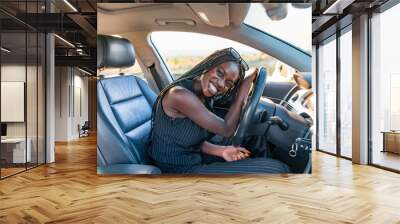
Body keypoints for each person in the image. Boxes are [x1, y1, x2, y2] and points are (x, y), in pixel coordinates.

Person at [148, 48, 290, 174]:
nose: (221, 84)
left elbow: (187, 140)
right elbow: (227, 129)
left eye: (229, 83)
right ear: (208, 66)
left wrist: (222, 151)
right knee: (278, 170)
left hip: (191, 156)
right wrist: (243, 90)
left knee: (253, 135)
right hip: (178, 170)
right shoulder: (179, 95)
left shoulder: (204, 96)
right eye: (220, 73)